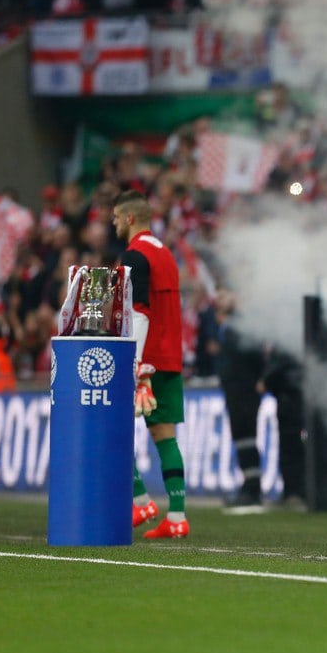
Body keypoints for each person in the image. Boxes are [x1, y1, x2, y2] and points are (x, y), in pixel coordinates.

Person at [115, 190, 190, 539]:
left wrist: (135, 361)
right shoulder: (165, 253)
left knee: (114, 428)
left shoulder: (135, 254)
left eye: (117, 217)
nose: (114, 223)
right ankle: (177, 516)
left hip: (147, 358)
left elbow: (139, 310)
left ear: (130, 218)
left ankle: (140, 501)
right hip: (171, 356)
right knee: (164, 434)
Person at [216, 289, 308, 514]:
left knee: (247, 436)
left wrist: (264, 379)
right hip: (237, 388)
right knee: (243, 437)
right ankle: (253, 487)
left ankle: (253, 489)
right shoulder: (232, 325)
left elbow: (254, 355)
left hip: (244, 389)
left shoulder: (243, 326)